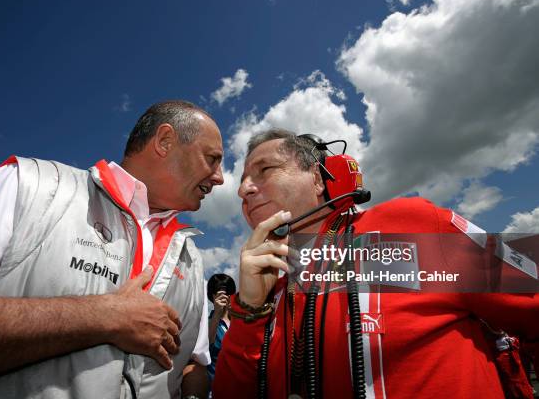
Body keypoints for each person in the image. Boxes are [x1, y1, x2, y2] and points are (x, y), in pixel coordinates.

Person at [0, 100, 224, 399]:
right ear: (164, 141)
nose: (220, 177)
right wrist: (102, 317)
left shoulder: (191, 258)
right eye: (212, 159)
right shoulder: (30, 184)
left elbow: (192, 366)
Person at [212, 128, 538, 398]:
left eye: (264, 170)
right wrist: (251, 309)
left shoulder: (411, 224)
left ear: (318, 177)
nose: (243, 189)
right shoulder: (268, 287)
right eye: (242, 181)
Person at [206, 273, 236, 384]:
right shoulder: (206, 322)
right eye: (218, 291)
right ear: (212, 295)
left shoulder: (240, 321)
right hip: (216, 386)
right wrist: (217, 314)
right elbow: (205, 348)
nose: (225, 296)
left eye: (228, 292)